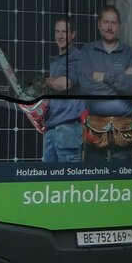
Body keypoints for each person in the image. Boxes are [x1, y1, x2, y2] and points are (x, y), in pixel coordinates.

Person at [77, 5, 132, 161]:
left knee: (123, 180)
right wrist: (122, 77)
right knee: (94, 181)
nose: (110, 27)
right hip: (95, 129)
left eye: (114, 23)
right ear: (99, 24)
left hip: (124, 129)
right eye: (106, 22)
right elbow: (86, 87)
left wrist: (105, 77)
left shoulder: (129, 53)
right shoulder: (87, 51)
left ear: (119, 26)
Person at [41, 16, 83, 163]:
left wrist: (44, 81)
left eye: (64, 32)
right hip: (51, 129)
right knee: (49, 183)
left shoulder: (78, 58)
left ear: (72, 34)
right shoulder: (56, 62)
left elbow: (65, 84)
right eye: (57, 31)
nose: (60, 36)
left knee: (69, 181)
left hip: (68, 130)